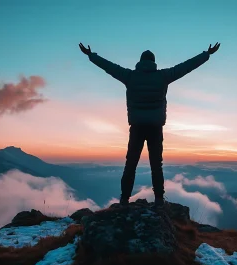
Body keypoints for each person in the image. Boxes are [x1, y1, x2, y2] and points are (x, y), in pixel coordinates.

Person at [79, 42, 221, 207]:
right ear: (154, 62)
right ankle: (159, 199)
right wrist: (206, 54)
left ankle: (124, 199)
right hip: (155, 128)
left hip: (137, 127)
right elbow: (186, 67)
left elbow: (109, 66)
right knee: (156, 165)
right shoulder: (163, 76)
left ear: (140, 62)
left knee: (131, 164)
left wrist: (91, 55)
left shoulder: (129, 76)